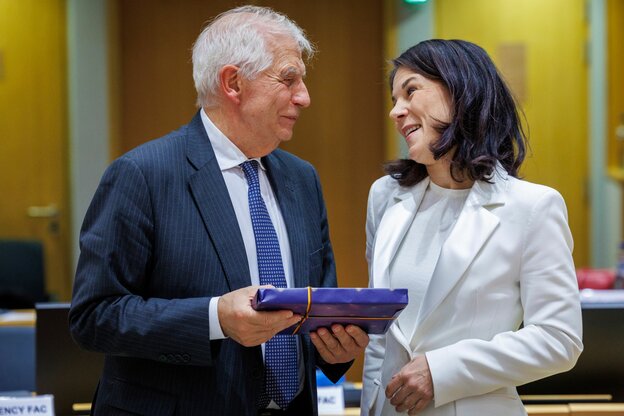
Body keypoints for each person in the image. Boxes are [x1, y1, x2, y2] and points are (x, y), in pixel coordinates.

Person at [69, 6, 368, 416]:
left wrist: (336, 349)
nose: (304, 96)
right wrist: (215, 319)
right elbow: (94, 316)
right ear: (233, 82)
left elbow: (314, 309)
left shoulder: (302, 179)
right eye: (288, 78)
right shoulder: (143, 174)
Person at [361, 39, 583, 416]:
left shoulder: (533, 207)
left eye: (410, 90)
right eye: (394, 99)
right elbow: (380, 339)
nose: (396, 112)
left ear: (461, 90)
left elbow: (559, 340)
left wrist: (443, 370)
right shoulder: (385, 197)